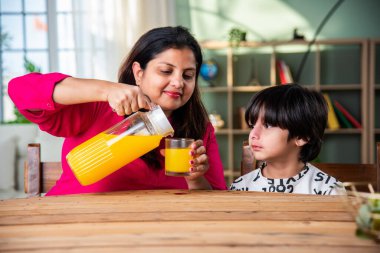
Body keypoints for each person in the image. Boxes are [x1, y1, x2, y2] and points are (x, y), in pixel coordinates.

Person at [9, 26, 227, 195]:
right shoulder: (99, 107)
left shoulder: (198, 127)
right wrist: (106, 90)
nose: (178, 83)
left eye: (188, 75)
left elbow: (217, 199)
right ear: (138, 72)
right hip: (74, 224)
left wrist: (196, 179)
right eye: (166, 71)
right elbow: (20, 90)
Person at [230, 84, 344, 195]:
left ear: (302, 136)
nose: (253, 134)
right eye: (252, 125)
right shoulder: (240, 188)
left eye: (268, 125)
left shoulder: (329, 191)